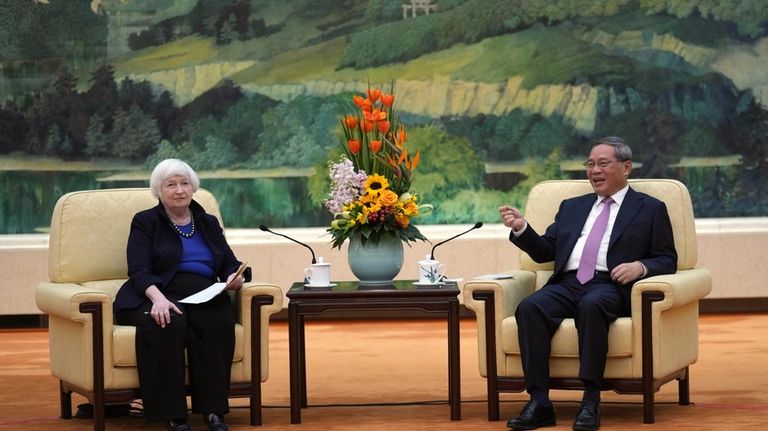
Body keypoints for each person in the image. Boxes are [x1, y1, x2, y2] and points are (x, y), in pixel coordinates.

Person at [498, 137, 677, 431]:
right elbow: (545, 252)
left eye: (603, 163)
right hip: (567, 282)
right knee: (530, 307)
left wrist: (640, 267)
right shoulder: (572, 207)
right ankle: (540, 402)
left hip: (609, 285)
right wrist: (522, 229)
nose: (594, 170)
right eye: (590, 164)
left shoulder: (650, 208)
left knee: (591, 305)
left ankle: (590, 400)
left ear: (626, 167)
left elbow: (667, 258)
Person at [113, 159, 250, 431]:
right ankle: (174, 415)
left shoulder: (208, 222)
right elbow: (138, 270)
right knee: (167, 322)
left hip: (202, 292)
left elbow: (229, 263)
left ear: (193, 187)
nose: (179, 190)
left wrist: (236, 277)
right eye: (171, 184)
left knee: (218, 320)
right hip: (160, 290)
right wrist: (158, 299)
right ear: (159, 191)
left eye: (184, 183)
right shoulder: (146, 222)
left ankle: (214, 412)